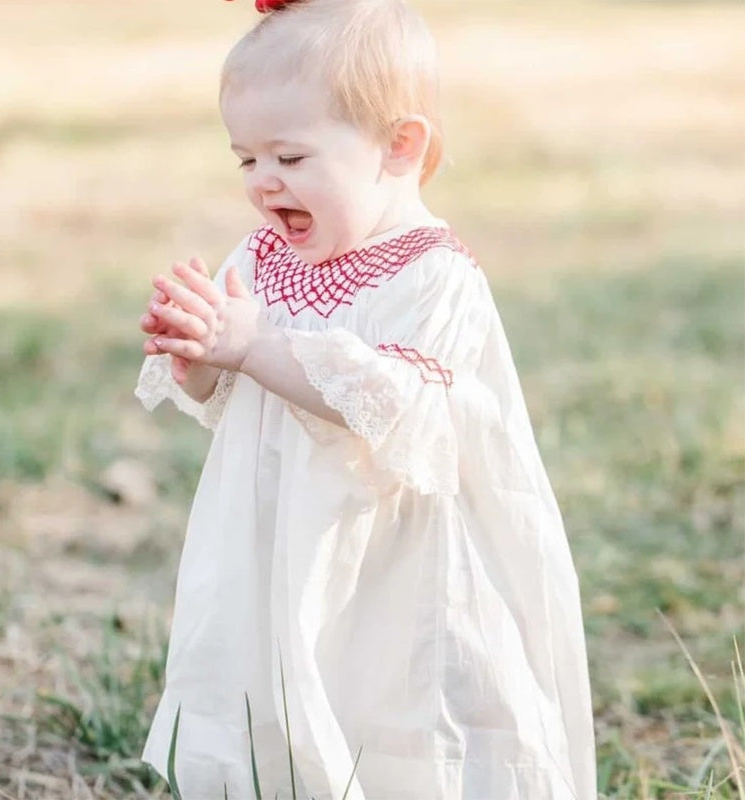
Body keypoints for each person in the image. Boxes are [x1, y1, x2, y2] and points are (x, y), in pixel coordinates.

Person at [135, 0, 597, 797]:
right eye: (245, 160)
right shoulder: (264, 257)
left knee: (394, 699)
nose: (263, 183)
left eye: (289, 155)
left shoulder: (434, 274)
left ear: (399, 147)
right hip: (279, 539)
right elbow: (224, 392)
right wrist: (203, 353)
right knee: (284, 685)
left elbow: (388, 406)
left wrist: (252, 343)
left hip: (398, 555)